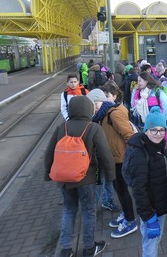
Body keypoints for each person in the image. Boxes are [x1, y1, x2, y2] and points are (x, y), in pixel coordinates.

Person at [44, 95, 115, 257]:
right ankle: (89, 248)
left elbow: (49, 154)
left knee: (69, 210)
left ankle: (66, 249)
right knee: (89, 211)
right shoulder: (93, 128)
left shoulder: (62, 127)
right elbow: (105, 154)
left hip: (63, 179)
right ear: (89, 109)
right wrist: (110, 175)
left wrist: (48, 174)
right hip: (86, 179)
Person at [127, 106, 167, 257]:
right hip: (151, 211)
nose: (158, 134)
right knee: (150, 246)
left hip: (161, 207)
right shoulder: (139, 154)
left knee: (155, 241)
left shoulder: (164, 148)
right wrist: (148, 217)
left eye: (161, 130)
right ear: (146, 130)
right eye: (154, 130)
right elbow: (139, 190)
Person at [92, 85, 138, 238]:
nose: (95, 108)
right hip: (114, 158)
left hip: (121, 159)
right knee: (119, 189)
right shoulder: (104, 115)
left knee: (122, 190)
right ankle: (126, 214)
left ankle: (130, 221)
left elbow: (129, 136)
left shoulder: (113, 114)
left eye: (96, 104)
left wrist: (133, 157)